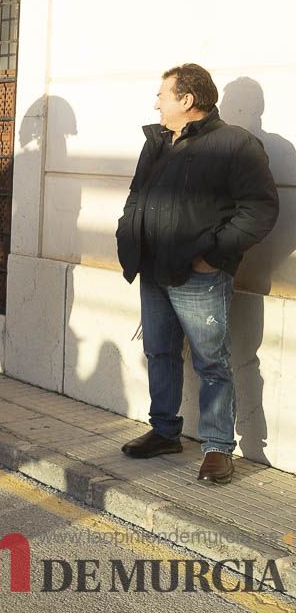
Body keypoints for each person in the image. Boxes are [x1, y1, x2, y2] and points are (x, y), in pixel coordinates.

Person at [117, 63, 278, 484]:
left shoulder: (236, 144)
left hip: (200, 274)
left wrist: (214, 255)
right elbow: (137, 197)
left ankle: (217, 447)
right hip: (153, 268)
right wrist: (128, 237)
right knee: (160, 351)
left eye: (163, 95)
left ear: (187, 100)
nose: (156, 102)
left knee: (211, 360)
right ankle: (165, 431)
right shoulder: (156, 142)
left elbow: (259, 209)